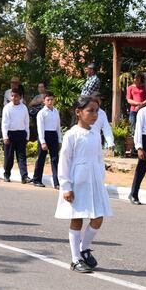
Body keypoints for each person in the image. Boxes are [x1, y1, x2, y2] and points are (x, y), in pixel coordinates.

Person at [55, 95, 113, 274]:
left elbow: (98, 157)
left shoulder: (95, 133)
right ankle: (75, 259)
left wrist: (100, 176)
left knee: (98, 217)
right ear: (78, 112)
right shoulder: (72, 135)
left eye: (96, 111)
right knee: (77, 218)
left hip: (94, 180)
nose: (94, 115)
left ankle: (84, 247)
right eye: (90, 111)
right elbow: (64, 161)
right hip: (78, 180)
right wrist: (66, 186)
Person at [32, 92, 61, 189]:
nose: (50, 101)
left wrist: (59, 140)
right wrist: (43, 142)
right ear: (44, 101)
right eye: (48, 100)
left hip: (53, 135)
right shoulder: (41, 113)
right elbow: (40, 129)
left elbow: (58, 127)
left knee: (55, 159)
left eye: (51, 99)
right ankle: (37, 179)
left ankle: (56, 182)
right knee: (41, 159)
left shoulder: (56, 111)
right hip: (44, 135)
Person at [1, 87, 30, 183]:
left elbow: (26, 122)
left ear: (20, 97)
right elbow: (4, 123)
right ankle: (7, 174)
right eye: (12, 96)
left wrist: (27, 135)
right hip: (10, 134)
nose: (14, 98)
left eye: (16, 96)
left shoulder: (24, 107)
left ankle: (24, 176)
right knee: (9, 157)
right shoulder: (7, 108)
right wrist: (5, 137)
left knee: (22, 156)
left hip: (21, 133)